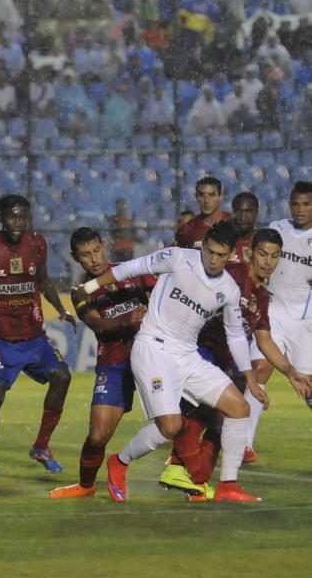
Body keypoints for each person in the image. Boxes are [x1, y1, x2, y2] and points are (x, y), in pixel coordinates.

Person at [75, 220, 264, 502]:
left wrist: (249, 377)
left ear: (230, 255)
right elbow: (133, 267)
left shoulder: (229, 289)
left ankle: (228, 485)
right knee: (170, 427)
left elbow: (236, 335)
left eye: (220, 255)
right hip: (153, 349)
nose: (213, 260)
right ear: (204, 246)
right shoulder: (178, 257)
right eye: (209, 251)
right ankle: (120, 461)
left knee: (239, 408)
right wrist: (89, 287)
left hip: (187, 355)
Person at [158, 227, 312, 496]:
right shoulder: (231, 276)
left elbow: (264, 341)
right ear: (252, 253)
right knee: (220, 413)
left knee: (218, 421)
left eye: (275, 256)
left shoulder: (261, 297)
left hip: (228, 362)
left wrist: (290, 372)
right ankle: (203, 475)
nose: (268, 262)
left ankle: (194, 474)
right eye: (263, 254)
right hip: (201, 353)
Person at [0, 194, 77, 476]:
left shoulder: (37, 243)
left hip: (32, 335)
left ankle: (41, 446)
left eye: (22, 217)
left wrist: (61, 310)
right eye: (12, 216)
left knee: (62, 376)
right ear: (0, 216)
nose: (18, 222)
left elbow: (43, 281)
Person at [49, 228, 152, 498]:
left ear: (103, 246)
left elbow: (162, 291)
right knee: (97, 436)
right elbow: (98, 324)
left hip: (153, 358)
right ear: (75, 257)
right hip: (115, 362)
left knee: (178, 421)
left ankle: (190, 478)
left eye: (96, 251)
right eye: (85, 255)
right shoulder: (81, 292)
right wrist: (125, 321)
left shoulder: (131, 271)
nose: (94, 259)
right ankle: (86, 485)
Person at [266, 181, 312, 417]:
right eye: (296, 204)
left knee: (306, 385)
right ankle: (244, 444)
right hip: (272, 313)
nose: (300, 209)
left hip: (303, 321)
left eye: (306, 204)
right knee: (257, 373)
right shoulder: (277, 228)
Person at [175, 176, 230, 249]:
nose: (206, 200)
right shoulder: (187, 230)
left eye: (212, 195)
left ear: (220, 196)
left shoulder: (233, 224)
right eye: (201, 195)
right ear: (196, 197)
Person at [230, 191, 259, 265]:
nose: (243, 217)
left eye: (248, 212)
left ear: (256, 213)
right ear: (233, 213)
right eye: (238, 211)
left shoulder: (264, 243)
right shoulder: (224, 242)